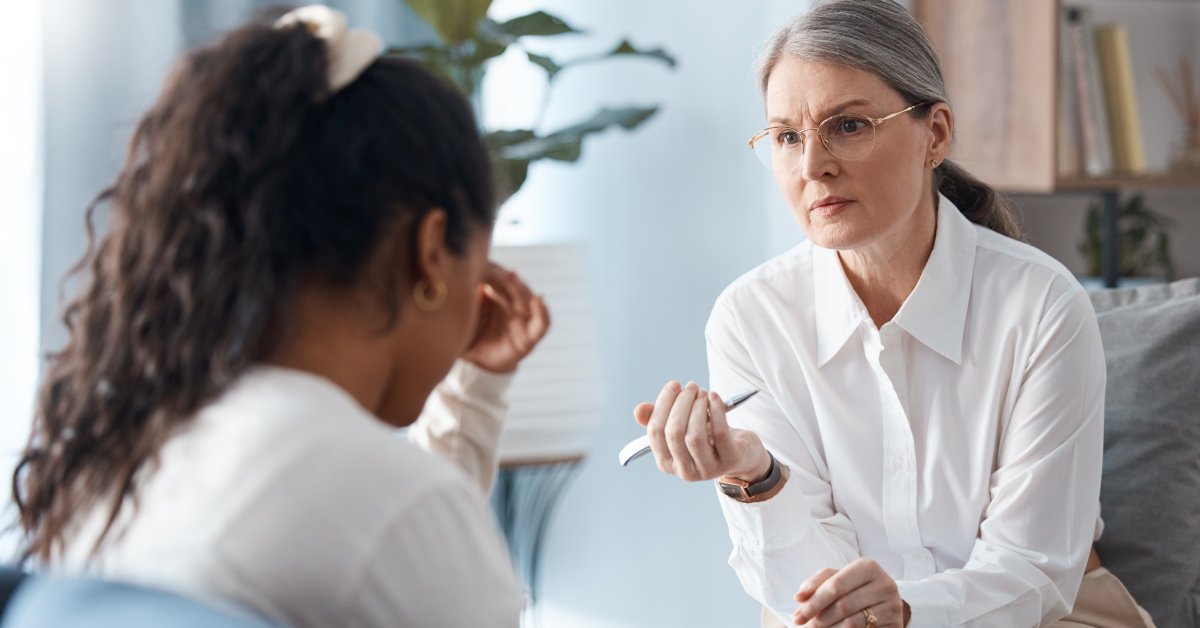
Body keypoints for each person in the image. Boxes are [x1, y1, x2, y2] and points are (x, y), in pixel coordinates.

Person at [13, 6, 549, 628]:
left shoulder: (130, 448)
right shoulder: (387, 503)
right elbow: (393, 534)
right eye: (481, 259)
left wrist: (471, 392)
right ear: (432, 252)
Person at [632, 2, 1153, 627]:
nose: (811, 166)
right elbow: (799, 590)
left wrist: (909, 609)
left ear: (934, 134)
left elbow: (1032, 571)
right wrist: (755, 475)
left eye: (848, 126)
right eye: (788, 137)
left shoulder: (1041, 305)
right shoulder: (750, 317)